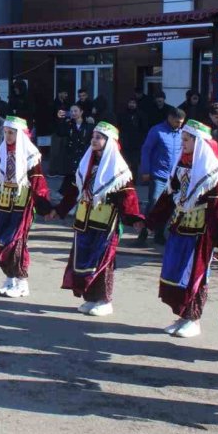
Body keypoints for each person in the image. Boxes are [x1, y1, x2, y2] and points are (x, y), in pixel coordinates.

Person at [49, 122, 144, 316]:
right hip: (84, 220)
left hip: (106, 222)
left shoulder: (118, 168)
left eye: (99, 137)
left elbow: (128, 196)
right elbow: (74, 190)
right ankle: (91, 298)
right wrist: (59, 211)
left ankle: (104, 299)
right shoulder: (87, 163)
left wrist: (134, 218)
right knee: (83, 259)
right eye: (93, 136)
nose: (94, 140)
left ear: (109, 142)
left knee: (102, 261)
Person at [146, 120, 218, 338]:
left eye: (186, 139)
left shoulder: (213, 173)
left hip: (201, 232)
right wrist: (152, 221)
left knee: (195, 275)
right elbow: (168, 197)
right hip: (179, 227)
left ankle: (194, 318)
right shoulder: (182, 164)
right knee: (175, 272)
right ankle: (183, 316)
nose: (181, 143)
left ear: (199, 142)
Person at [0, 116, 52, 298]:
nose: (8, 136)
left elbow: (38, 182)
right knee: (1, 240)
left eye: (12, 133)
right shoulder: (2, 152)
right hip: (4, 202)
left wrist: (46, 208)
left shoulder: (30, 155)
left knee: (15, 242)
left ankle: (22, 281)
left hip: (22, 203)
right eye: (6, 133)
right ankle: (9, 278)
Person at [137, 108, 185, 245]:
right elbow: (146, 150)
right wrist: (145, 171)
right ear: (170, 118)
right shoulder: (157, 130)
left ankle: (159, 234)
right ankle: (143, 233)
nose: (179, 125)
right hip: (158, 175)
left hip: (174, 177)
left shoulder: (182, 133)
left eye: (181, 122)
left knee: (168, 206)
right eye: (177, 122)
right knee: (153, 203)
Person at [56, 105, 94, 192]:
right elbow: (60, 133)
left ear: (81, 112)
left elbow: (90, 138)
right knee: (70, 178)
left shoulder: (88, 125)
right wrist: (60, 120)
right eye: (71, 111)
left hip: (83, 154)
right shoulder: (68, 124)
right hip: (71, 154)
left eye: (75, 111)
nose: (73, 113)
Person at [117, 97, 147, 174]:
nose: (132, 105)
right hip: (125, 143)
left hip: (136, 144)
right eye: (130, 103)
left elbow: (144, 128)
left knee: (134, 164)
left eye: (133, 103)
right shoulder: (122, 114)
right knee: (125, 163)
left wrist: (141, 140)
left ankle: (134, 180)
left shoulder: (141, 114)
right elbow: (119, 127)